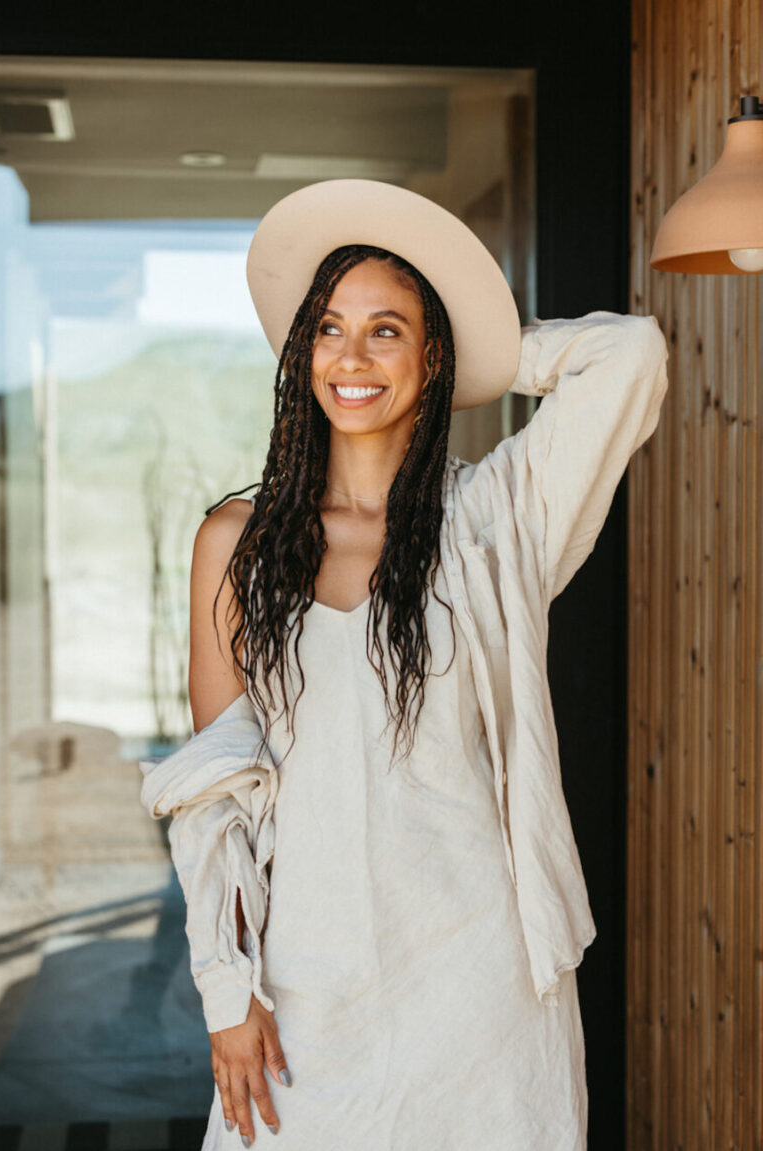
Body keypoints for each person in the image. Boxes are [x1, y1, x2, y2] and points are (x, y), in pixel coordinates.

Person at [140, 179, 670, 1150]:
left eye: (389, 330)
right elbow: (213, 786)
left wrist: (487, 341)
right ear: (301, 350)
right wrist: (227, 989)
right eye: (331, 327)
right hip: (304, 983)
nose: (352, 355)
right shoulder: (237, 539)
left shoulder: (496, 519)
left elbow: (626, 355)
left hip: (481, 986)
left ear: (434, 356)